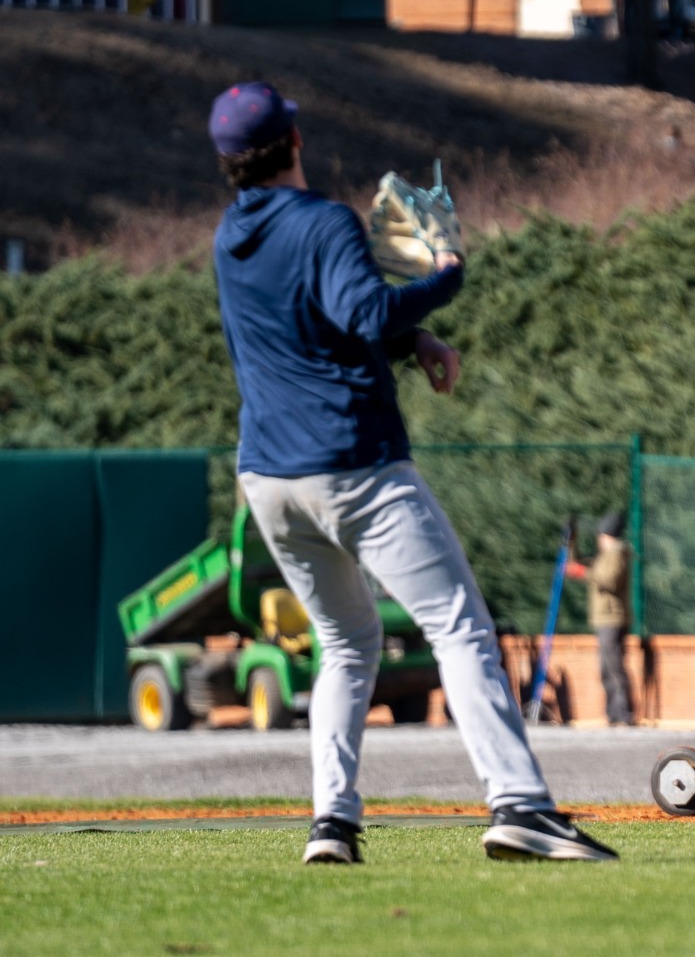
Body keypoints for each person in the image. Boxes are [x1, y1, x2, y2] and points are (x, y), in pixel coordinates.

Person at [208, 81, 617, 864]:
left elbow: (316, 322)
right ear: (294, 142)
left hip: (268, 479)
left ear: (229, 163)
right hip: (353, 465)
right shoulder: (323, 221)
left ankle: (332, 823)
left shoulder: (232, 238)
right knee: (460, 627)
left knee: (345, 641)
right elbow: (363, 313)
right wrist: (445, 278)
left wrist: (412, 341)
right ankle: (521, 805)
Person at [565, 512, 635, 726]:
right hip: (604, 618)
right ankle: (613, 713)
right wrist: (571, 541)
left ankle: (623, 713)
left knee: (614, 666)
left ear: (607, 536)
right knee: (606, 667)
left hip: (613, 618)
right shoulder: (605, 556)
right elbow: (578, 564)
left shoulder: (617, 555)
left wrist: (583, 573)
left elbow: (610, 580)